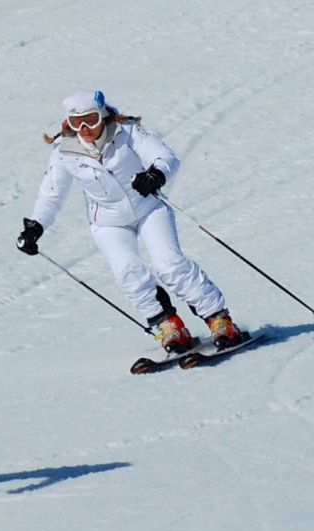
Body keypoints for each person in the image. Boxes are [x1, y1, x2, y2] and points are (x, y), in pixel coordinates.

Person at [16, 90, 243, 353]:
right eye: (77, 122)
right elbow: (51, 192)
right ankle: (169, 326)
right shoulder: (64, 150)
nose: (85, 128)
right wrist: (36, 226)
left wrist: (155, 175)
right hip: (108, 221)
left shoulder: (127, 132)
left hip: (148, 209)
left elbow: (165, 157)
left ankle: (218, 319)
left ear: (102, 115)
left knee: (169, 263)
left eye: (90, 119)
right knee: (127, 271)